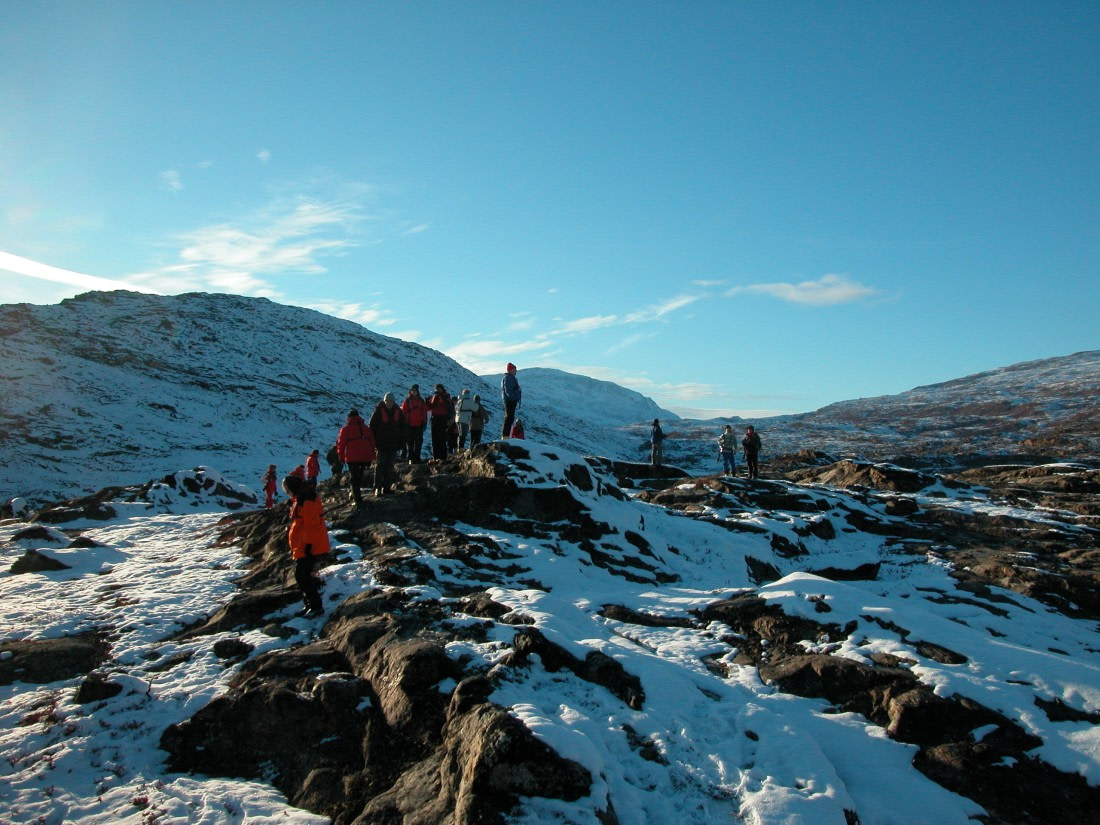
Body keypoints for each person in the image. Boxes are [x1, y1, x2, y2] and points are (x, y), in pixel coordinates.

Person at [282, 473, 330, 618]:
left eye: (287, 489)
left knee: (302, 576)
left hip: (308, 545)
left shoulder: (307, 500)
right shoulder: (302, 498)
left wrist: (308, 545)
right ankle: (310, 605)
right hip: (304, 544)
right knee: (303, 576)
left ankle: (316, 607)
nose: (287, 492)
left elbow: (312, 526)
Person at [336, 409, 376, 507]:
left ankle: (357, 498)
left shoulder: (345, 429)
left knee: (354, 477)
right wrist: (372, 456)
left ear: (349, 418)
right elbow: (372, 443)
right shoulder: (365, 428)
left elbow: (341, 444)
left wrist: (341, 457)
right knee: (359, 476)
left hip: (352, 457)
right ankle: (356, 495)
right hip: (364, 457)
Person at [369, 392, 406, 495]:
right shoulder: (378, 412)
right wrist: (374, 442)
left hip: (393, 445)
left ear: (393, 402)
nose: (389, 403)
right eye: (387, 401)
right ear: (384, 401)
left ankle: (387, 488)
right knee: (380, 466)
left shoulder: (398, 412)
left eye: (391, 401)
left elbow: (404, 427)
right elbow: (371, 428)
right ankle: (377, 488)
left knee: (389, 467)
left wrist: (402, 442)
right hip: (381, 445)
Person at [401, 384, 428, 464]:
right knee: (410, 442)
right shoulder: (407, 401)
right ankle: (411, 458)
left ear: (417, 391)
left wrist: (424, 423)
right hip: (409, 424)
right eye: (413, 391)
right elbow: (403, 412)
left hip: (419, 424)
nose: (414, 392)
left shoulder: (421, 401)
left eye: (415, 391)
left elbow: (424, 412)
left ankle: (417, 457)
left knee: (418, 442)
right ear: (411, 391)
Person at [427, 384, 452, 460]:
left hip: (441, 419)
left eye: (439, 389)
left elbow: (448, 405)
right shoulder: (438, 397)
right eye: (437, 389)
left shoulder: (444, 397)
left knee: (440, 438)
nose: (438, 390)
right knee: (436, 438)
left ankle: (442, 456)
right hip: (436, 418)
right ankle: (437, 456)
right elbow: (430, 407)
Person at [501, 362, 522, 438]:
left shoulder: (509, 377)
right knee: (509, 418)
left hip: (511, 401)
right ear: (511, 370)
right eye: (515, 369)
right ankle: (505, 436)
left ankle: (506, 436)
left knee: (509, 418)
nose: (516, 371)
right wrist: (513, 398)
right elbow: (508, 390)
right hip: (510, 401)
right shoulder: (508, 378)